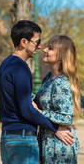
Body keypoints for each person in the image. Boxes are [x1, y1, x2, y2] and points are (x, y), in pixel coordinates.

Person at [0, 20, 74, 164]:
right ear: (24, 42)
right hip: (22, 140)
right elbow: (27, 110)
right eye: (37, 42)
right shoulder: (21, 67)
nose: (39, 47)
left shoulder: (4, 64)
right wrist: (55, 128)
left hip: (7, 137)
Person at [34, 35, 80, 163]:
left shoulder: (61, 83)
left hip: (59, 148)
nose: (44, 50)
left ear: (60, 56)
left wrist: (40, 112)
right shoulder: (48, 78)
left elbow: (67, 118)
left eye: (50, 48)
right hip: (48, 142)